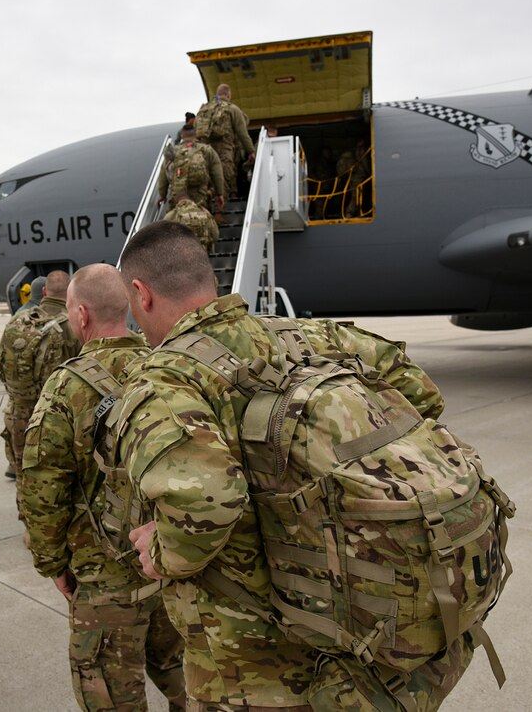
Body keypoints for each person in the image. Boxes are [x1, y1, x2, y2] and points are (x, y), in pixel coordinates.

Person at [112, 222, 447, 709]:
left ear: (140, 294)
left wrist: (162, 551)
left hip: (248, 669)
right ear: (208, 280)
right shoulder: (310, 335)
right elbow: (421, 395)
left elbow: (206, 501)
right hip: (355, 632)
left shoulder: (163, 379)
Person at [18, 263, 186, 711]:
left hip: (106, 577)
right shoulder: (171, 367)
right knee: (189, 680)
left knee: (111, 694)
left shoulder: (67, 386)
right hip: (176, 563)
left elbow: (41, 488)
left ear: (81, 316)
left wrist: (52, 562)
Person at [0, 269, 80, 480]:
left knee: (23, 479)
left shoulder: (19, 322)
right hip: (53, 419)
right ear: (70, 291)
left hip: (17, 413)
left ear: (44, 291)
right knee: (54, 482)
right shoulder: (72, 324)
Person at [195, 84, 256, 199]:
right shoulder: (232, 108)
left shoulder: (205, 109)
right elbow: (242, 133)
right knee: (225, 176)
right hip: (224, 148)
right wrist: (251, 151)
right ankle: (223, 207)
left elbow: (196, 129)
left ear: (217, 94)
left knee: (208, 175)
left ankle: (209, 198)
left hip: (205, 148)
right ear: (228, 95)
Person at [158, 124, 225, 213]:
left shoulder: (173, 151)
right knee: (200, 218)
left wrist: (162, 195)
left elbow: (163, 173)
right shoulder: (206, 150)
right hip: (199, 195)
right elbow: (217, 173)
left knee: (177, 219)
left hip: (177, 195)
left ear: (182, 135)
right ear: (196, 134)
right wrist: (219, 193)